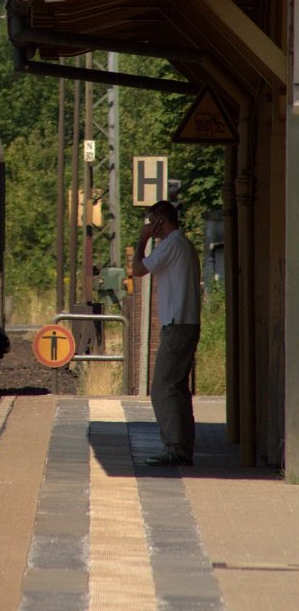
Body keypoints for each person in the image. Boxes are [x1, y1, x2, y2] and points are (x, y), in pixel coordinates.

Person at [132, 199, 201, 467]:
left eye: (152, 221)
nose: (149, 226)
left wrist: (142, 240)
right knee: (178, 388)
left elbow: (138, 270)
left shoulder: (172, 244)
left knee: (163, 388)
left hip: (177, 324)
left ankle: (175, 448)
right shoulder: (183, 245)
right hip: (187, 323)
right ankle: (183, 448)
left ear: (161, 220)